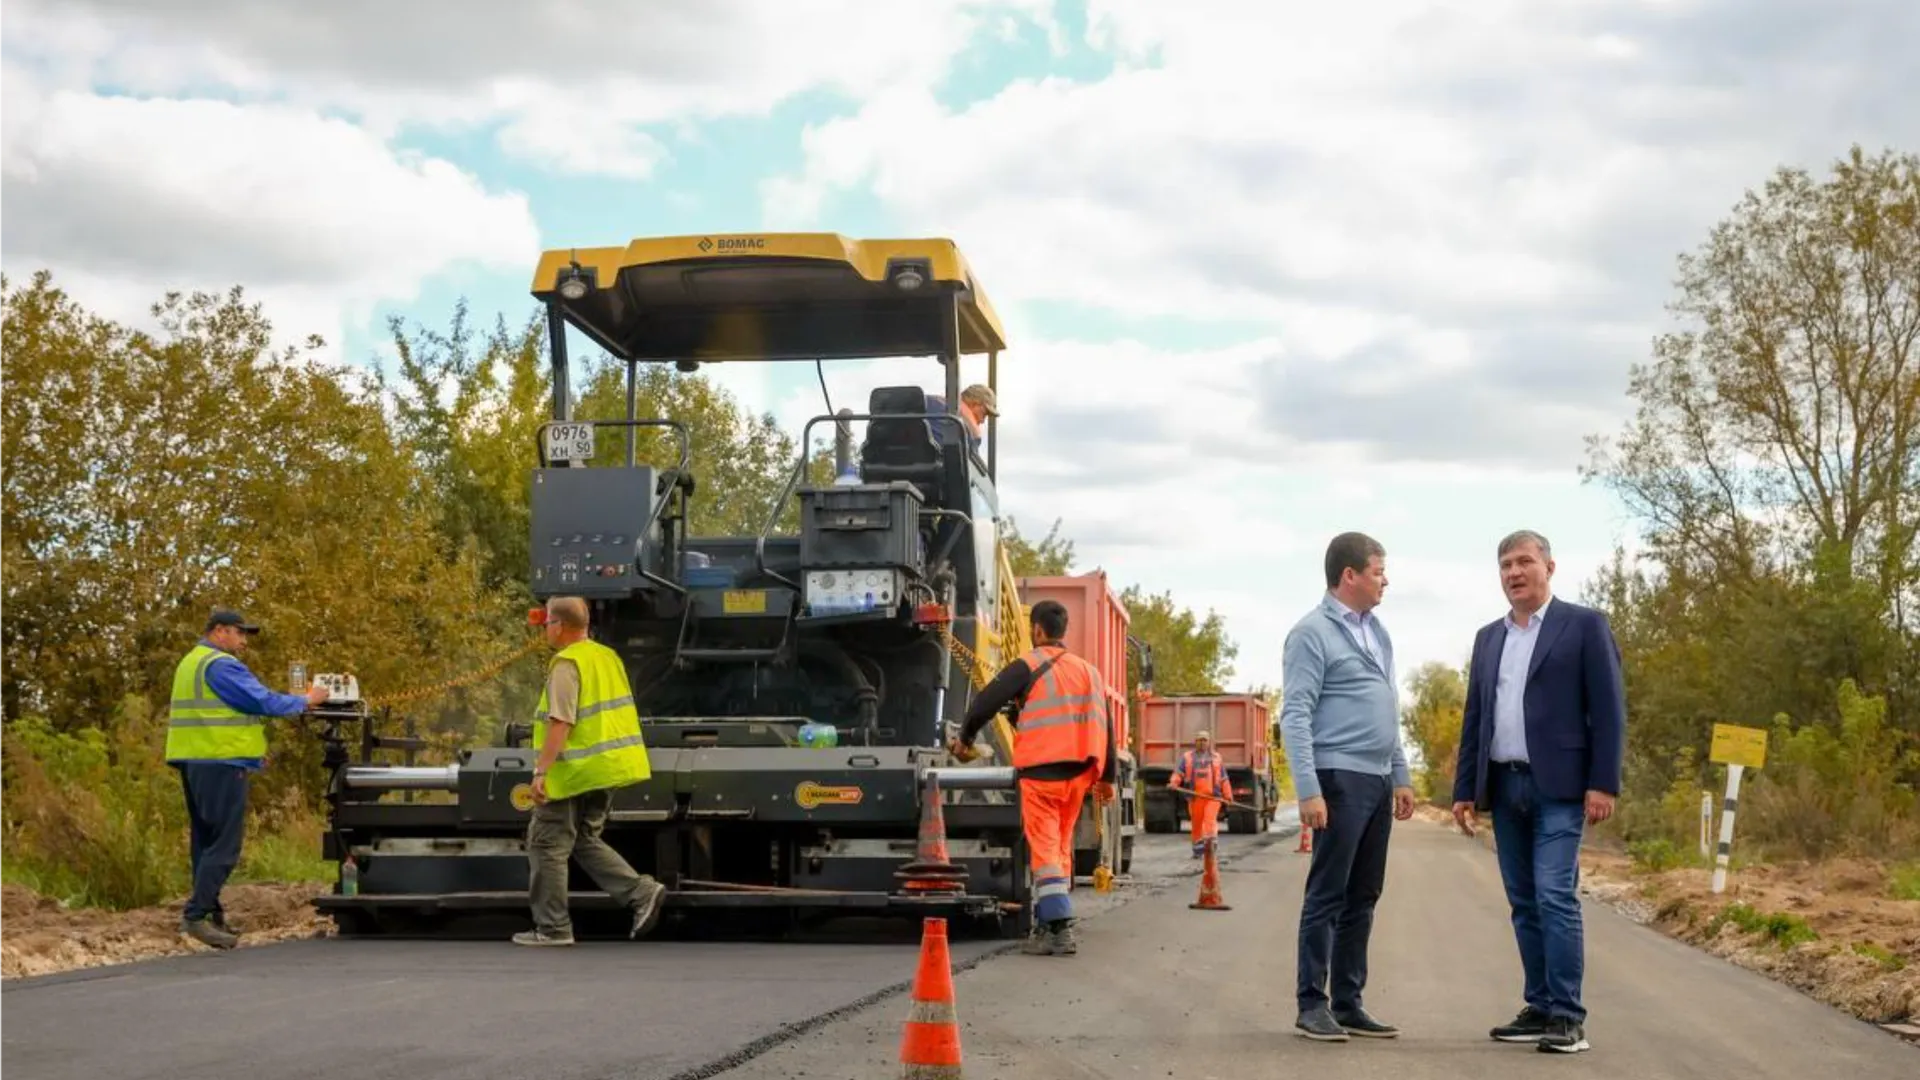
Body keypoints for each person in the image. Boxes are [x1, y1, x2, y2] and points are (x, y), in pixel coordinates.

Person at [1451, 530, 1625, 1055]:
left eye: (1525, 561)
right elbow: (1475, 718)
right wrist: (1464, 790)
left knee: (1554, 895)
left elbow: (1609, 709)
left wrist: (1603, 782)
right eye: (1505, 565)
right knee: (1523, 901)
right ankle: (1541, 1005)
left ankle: (1569, 1017)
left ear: (1550, 566)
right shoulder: (1489, 637)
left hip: (1562, 788)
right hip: (1505, 786)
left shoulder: (1584, 626)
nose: (1514, 572)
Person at [1278, 532, 1416, 1042]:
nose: (1385, 580)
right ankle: (1311, 1003)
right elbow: (1295, 715)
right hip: (1338, 778)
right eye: (1379, 570)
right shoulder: (1311, 633)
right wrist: (1308, 790)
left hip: (1378, 780)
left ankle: (1349, 1002)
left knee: (1364, 894)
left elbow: (1388, 708)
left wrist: (1399, 774)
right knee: (1328, 894)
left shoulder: (1377, 632)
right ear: (1349, 575)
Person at [948, 599, 1115, 957]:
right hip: (1080, 775)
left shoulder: (1029, 663)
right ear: (1063, 630)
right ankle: (1052, 920)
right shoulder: (1090, 672)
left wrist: (964, 738)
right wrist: (1108, 777)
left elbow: (985, 702)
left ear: (1037, 630)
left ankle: (1057, 931)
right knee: (1058, 847)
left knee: (1044, 851)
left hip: (1041, 773)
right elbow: (1107, 727)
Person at [165, 608, 331, 950]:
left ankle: (210, 913)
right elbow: (261, 700)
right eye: (240, 634)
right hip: (220, 762)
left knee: (205, 842)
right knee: (225, 845)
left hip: (196, 759)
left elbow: (219, 713)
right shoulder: (220, 665)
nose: (243, 642)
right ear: (220, 631)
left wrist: (251, 750)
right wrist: (306, 700)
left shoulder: (190, 662)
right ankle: (195, 917)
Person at [515, 595, 668, 947]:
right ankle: (642, 893)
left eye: (547, 623)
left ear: (560, 625)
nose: (544, 630)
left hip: (573, 772)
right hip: (605, 768)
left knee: (546, 844)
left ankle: (553, 929)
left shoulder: (566, 663)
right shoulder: (607, 656)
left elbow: (561, 721)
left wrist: (541, 771)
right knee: (584, 839)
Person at [1170, 731, 1233, 858]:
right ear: (1195, 742)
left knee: (1209, 820)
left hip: (1213, 797)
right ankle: (1198, 850)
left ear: (1209, 742)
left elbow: (1224, 778)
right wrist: (1174, 782)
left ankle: (1210, 846)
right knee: (1196, 823)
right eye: (1200, 740)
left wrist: (1228, 795)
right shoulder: (1187, 757)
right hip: (1195, 797)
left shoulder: (1216, 758)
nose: (1202, 742)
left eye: (1205, 740)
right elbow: (1179, 772)